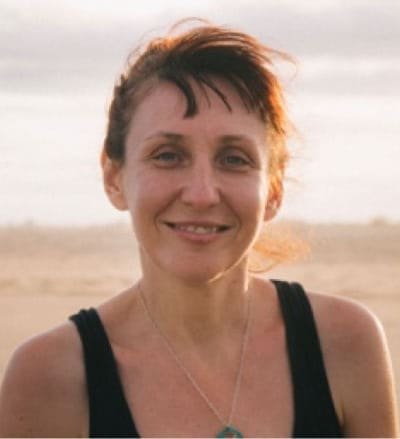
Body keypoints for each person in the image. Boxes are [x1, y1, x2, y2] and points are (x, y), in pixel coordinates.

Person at [0, 19, 398, 438]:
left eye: (234, 159)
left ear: (274, 189)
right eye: (168, 155)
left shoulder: (344, 343)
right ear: (114, 178)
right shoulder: (50, 377)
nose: (203, 194)